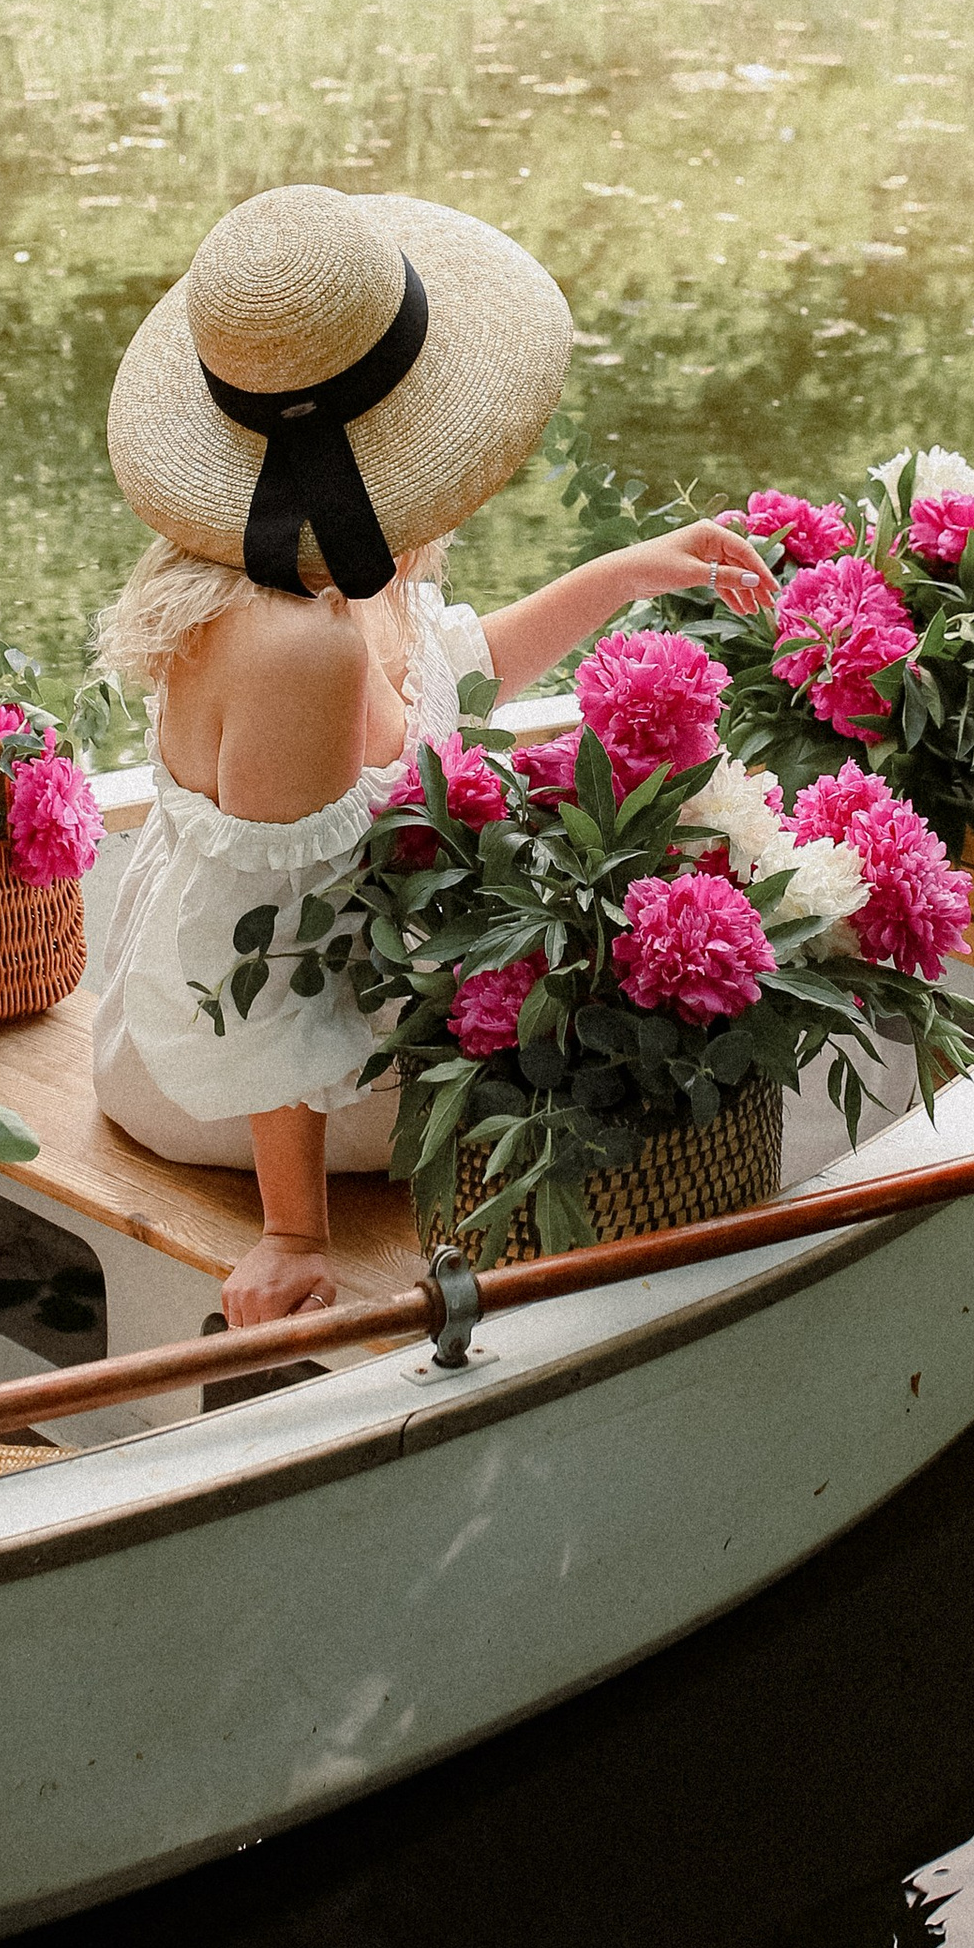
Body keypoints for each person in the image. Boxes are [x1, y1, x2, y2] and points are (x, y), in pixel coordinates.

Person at [92, 183, 776, 1327]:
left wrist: (628, 572)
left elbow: (439, 689)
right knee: (650, 1020)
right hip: (243, 1075)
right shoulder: (289, 646)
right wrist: (294, 1235)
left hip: (326, 998)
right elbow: (266, 967)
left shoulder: (327, 554)